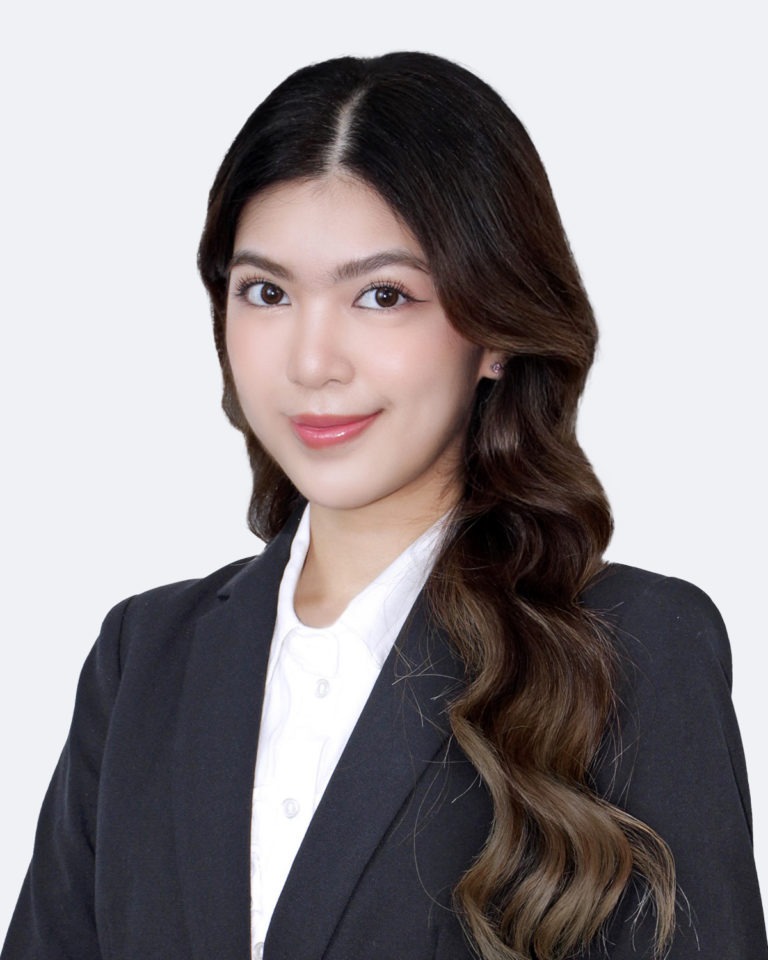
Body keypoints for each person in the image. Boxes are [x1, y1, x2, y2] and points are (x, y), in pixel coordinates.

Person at [2, 51, 765, 960]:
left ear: (495, 329)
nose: (311, 361)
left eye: (382, 295)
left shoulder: (630, 645)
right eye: (267, 292)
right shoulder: (144, 658)